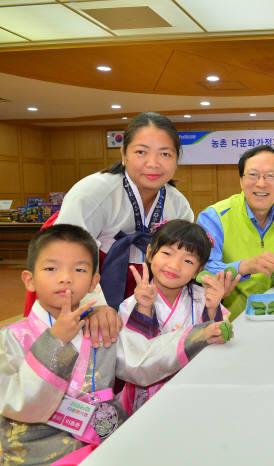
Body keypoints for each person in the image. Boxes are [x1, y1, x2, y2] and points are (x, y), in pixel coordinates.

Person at [0, 224, 228, 464]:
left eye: (79, 269)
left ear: (93, 283)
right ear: (29, 280)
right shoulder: (11, 338)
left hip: (104, 436)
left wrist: (200, 334)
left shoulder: (100, 327)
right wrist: (55, 340)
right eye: (51, 268)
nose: (65, 278)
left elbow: (142, 359)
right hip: (40, 449)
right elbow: (15, 403)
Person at [48, 112, 194, 348]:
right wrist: (95, 305)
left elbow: (186, 257)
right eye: (141, 152)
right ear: (123, 154)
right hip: (86, 282)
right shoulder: (93, 191)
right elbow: (66, 255)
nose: (153, 163)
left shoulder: (178, 204)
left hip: (145, 289)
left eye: (165, 154)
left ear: (177, 158)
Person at [117, 220, 239, 413]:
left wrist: (213, 309)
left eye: (188, 261)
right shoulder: (132, 304)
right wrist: (145, 309)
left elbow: (220, 338)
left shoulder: (203, 298)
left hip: (195, 389)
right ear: (150, 253)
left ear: (199, 270)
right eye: (167, 253)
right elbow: (136, 357)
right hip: (147, 397)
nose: (174, 265)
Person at [197, 145, 274, 319]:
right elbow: (203, 272)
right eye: (253, 175)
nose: (261, 183)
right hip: (228, 321)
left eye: (270, 176)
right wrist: (244, 267)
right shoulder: (214, 217)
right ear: (241, 180)